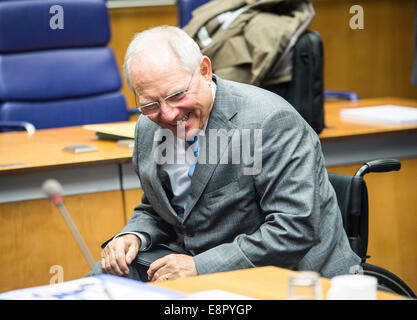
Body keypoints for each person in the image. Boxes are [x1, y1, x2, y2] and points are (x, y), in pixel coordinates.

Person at [88, 25, 360, 282]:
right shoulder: (149, 127)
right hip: (194, 270)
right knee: (103, 277)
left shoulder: (269, 122)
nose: (168, 114)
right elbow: (160, 209)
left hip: (286, 276)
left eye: (176, 94)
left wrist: (200, 267)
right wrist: (134, 236)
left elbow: (293, 229)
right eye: (150, 104)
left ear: (204, 70)